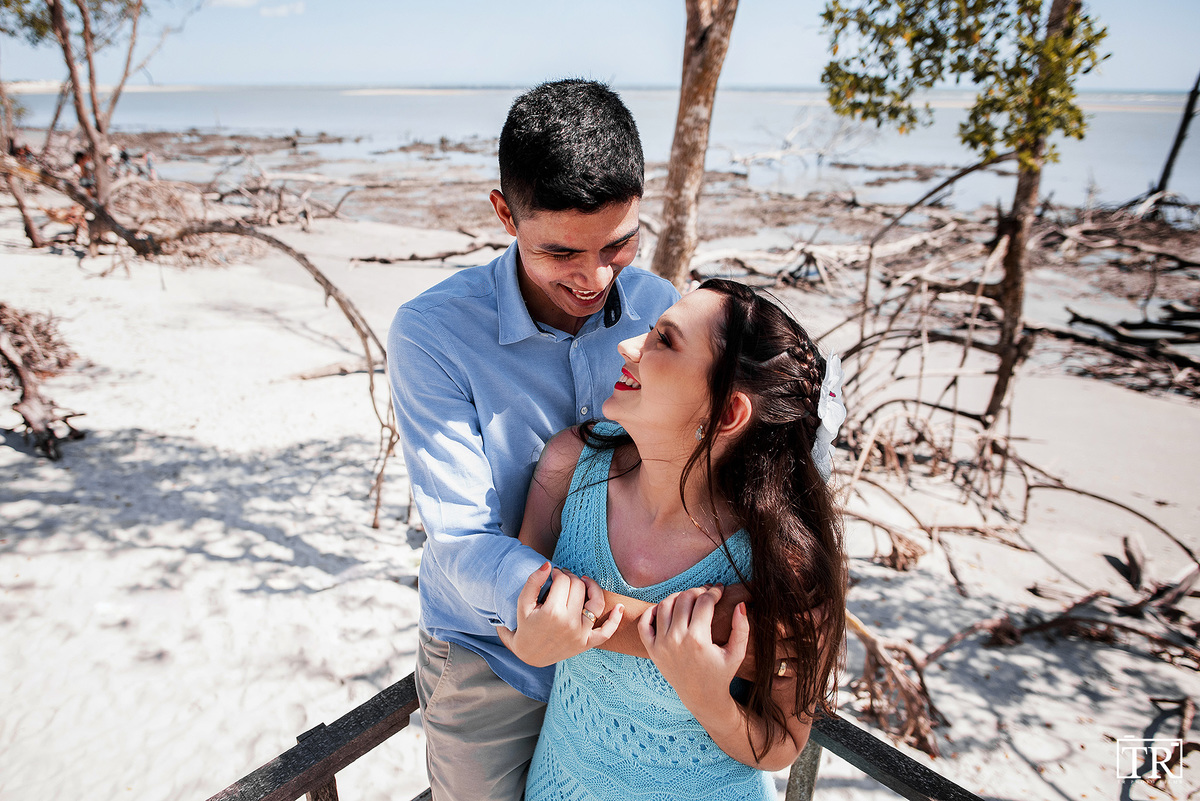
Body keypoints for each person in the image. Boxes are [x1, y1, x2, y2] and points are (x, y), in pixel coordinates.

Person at [387, 79, 683, 801]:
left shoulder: (659, 307)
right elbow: (460, 539)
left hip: (623, 661)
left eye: (620, 242)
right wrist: (571, 614)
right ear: (503, 214)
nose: (595, 277)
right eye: (560, 253)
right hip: (489, 655)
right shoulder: (432, 333)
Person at [502, 279, 848, 801]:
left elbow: (782, 745)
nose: (627, 346)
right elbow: (524, 600)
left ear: (727, 413)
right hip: (560, 784)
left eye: (664, 341)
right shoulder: (569, 465)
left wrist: (711, 698)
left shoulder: (783, 563)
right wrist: (527, 644)